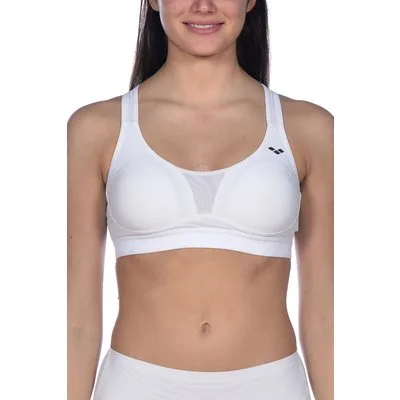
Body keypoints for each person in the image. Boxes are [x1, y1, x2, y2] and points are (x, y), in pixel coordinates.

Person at [67, 0, 333, 399]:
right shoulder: (96, 129)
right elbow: (78, 320)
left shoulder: (310, 129)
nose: (203, 5)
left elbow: (326, 315)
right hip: (135, 386)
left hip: (271, 386)